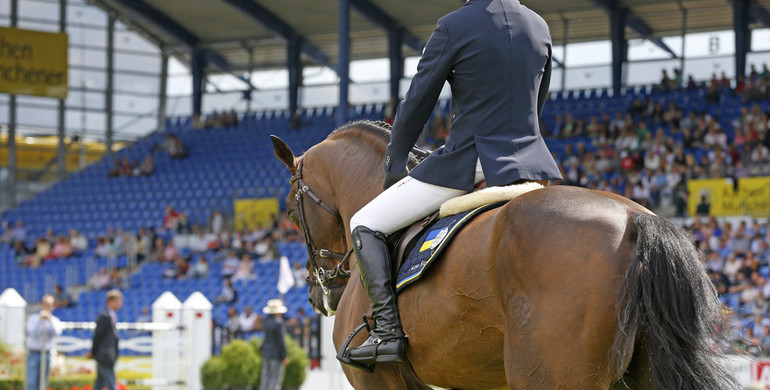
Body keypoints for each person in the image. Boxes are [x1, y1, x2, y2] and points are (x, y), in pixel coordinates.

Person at [341, 0, 561, 368]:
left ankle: (386, 333)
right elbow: (538, 102)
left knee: (364, 223)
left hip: (469, 162)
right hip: (528, 163)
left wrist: (395, 166)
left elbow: (417, 103)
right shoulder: (538, 26)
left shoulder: (454, 25)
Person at [25, 294, 63, 390]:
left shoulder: (55, 320)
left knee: (43, 382)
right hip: (34, 353)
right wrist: (40, 320)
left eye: (49, 305)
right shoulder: (33, 319)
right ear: (41, 305)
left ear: (53, 307)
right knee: (31, 382)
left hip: (46, 354)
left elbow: (57, 333)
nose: (47, 307)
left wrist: (49, 320)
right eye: (45, 304)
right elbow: (30, 332)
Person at [89, 289, 123, 390]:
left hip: (106, 355)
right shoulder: (104, 316)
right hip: (105, 355)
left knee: (100, 383)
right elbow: (97, 336)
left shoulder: (110, 315)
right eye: (119, 301)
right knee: (111, 383)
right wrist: (93, 352)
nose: (120, 304)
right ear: (112, 301)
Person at [259, 299, 288, 390]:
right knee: (275, 379)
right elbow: (281, 341)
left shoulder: (265, 321)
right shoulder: (279, 323)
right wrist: (285, 355)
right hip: (276, 355)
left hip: (266, 353)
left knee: (265, 377)